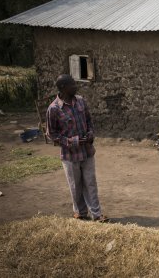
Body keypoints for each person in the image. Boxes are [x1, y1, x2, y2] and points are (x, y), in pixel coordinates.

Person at [46, 74, 108, 222]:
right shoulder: (54, 109)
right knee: (75, 186)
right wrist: (73, 141)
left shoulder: (80, 101)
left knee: (91, 183)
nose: (76, 86)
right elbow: (51, 134)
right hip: (70, 155)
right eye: (72, 84)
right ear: (62, 88)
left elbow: (89, 121)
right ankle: (80, 213)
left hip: (87, 151)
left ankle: (97, 214)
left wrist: (91, 134)